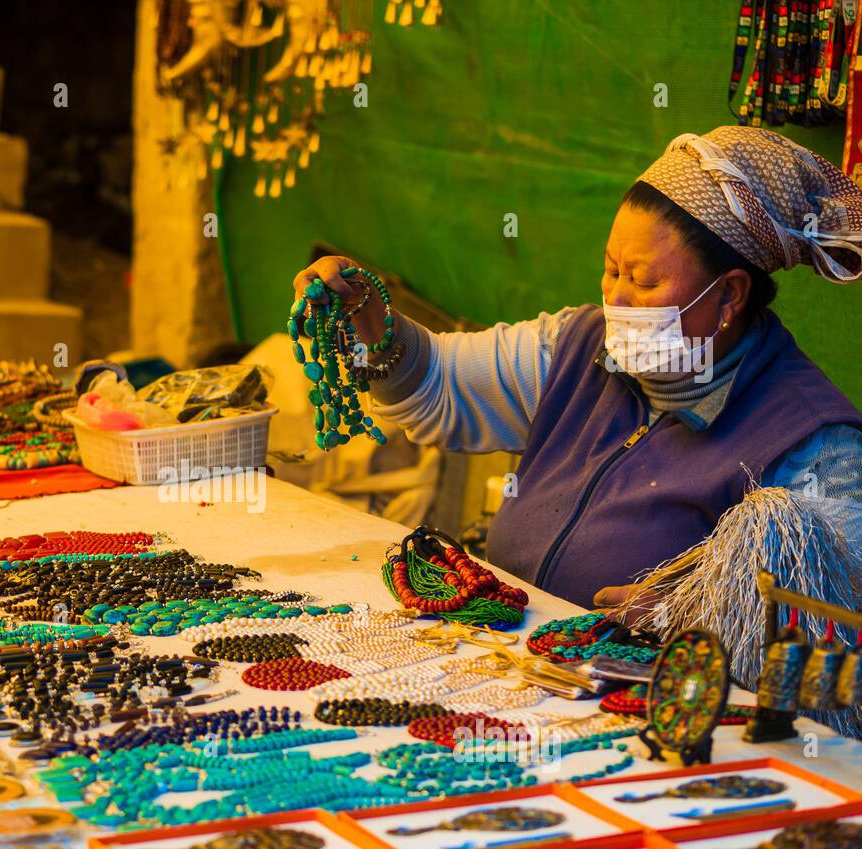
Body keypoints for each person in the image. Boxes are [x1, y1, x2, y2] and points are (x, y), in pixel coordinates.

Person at [295, 126, 862, 610]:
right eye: (611, 270)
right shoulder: (578, 347)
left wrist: (698, 612)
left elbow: (827, 624)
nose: (617, 298)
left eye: (644, 282)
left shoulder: (811, 443)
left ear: (729, 296)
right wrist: (370, 318)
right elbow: (437, 382)